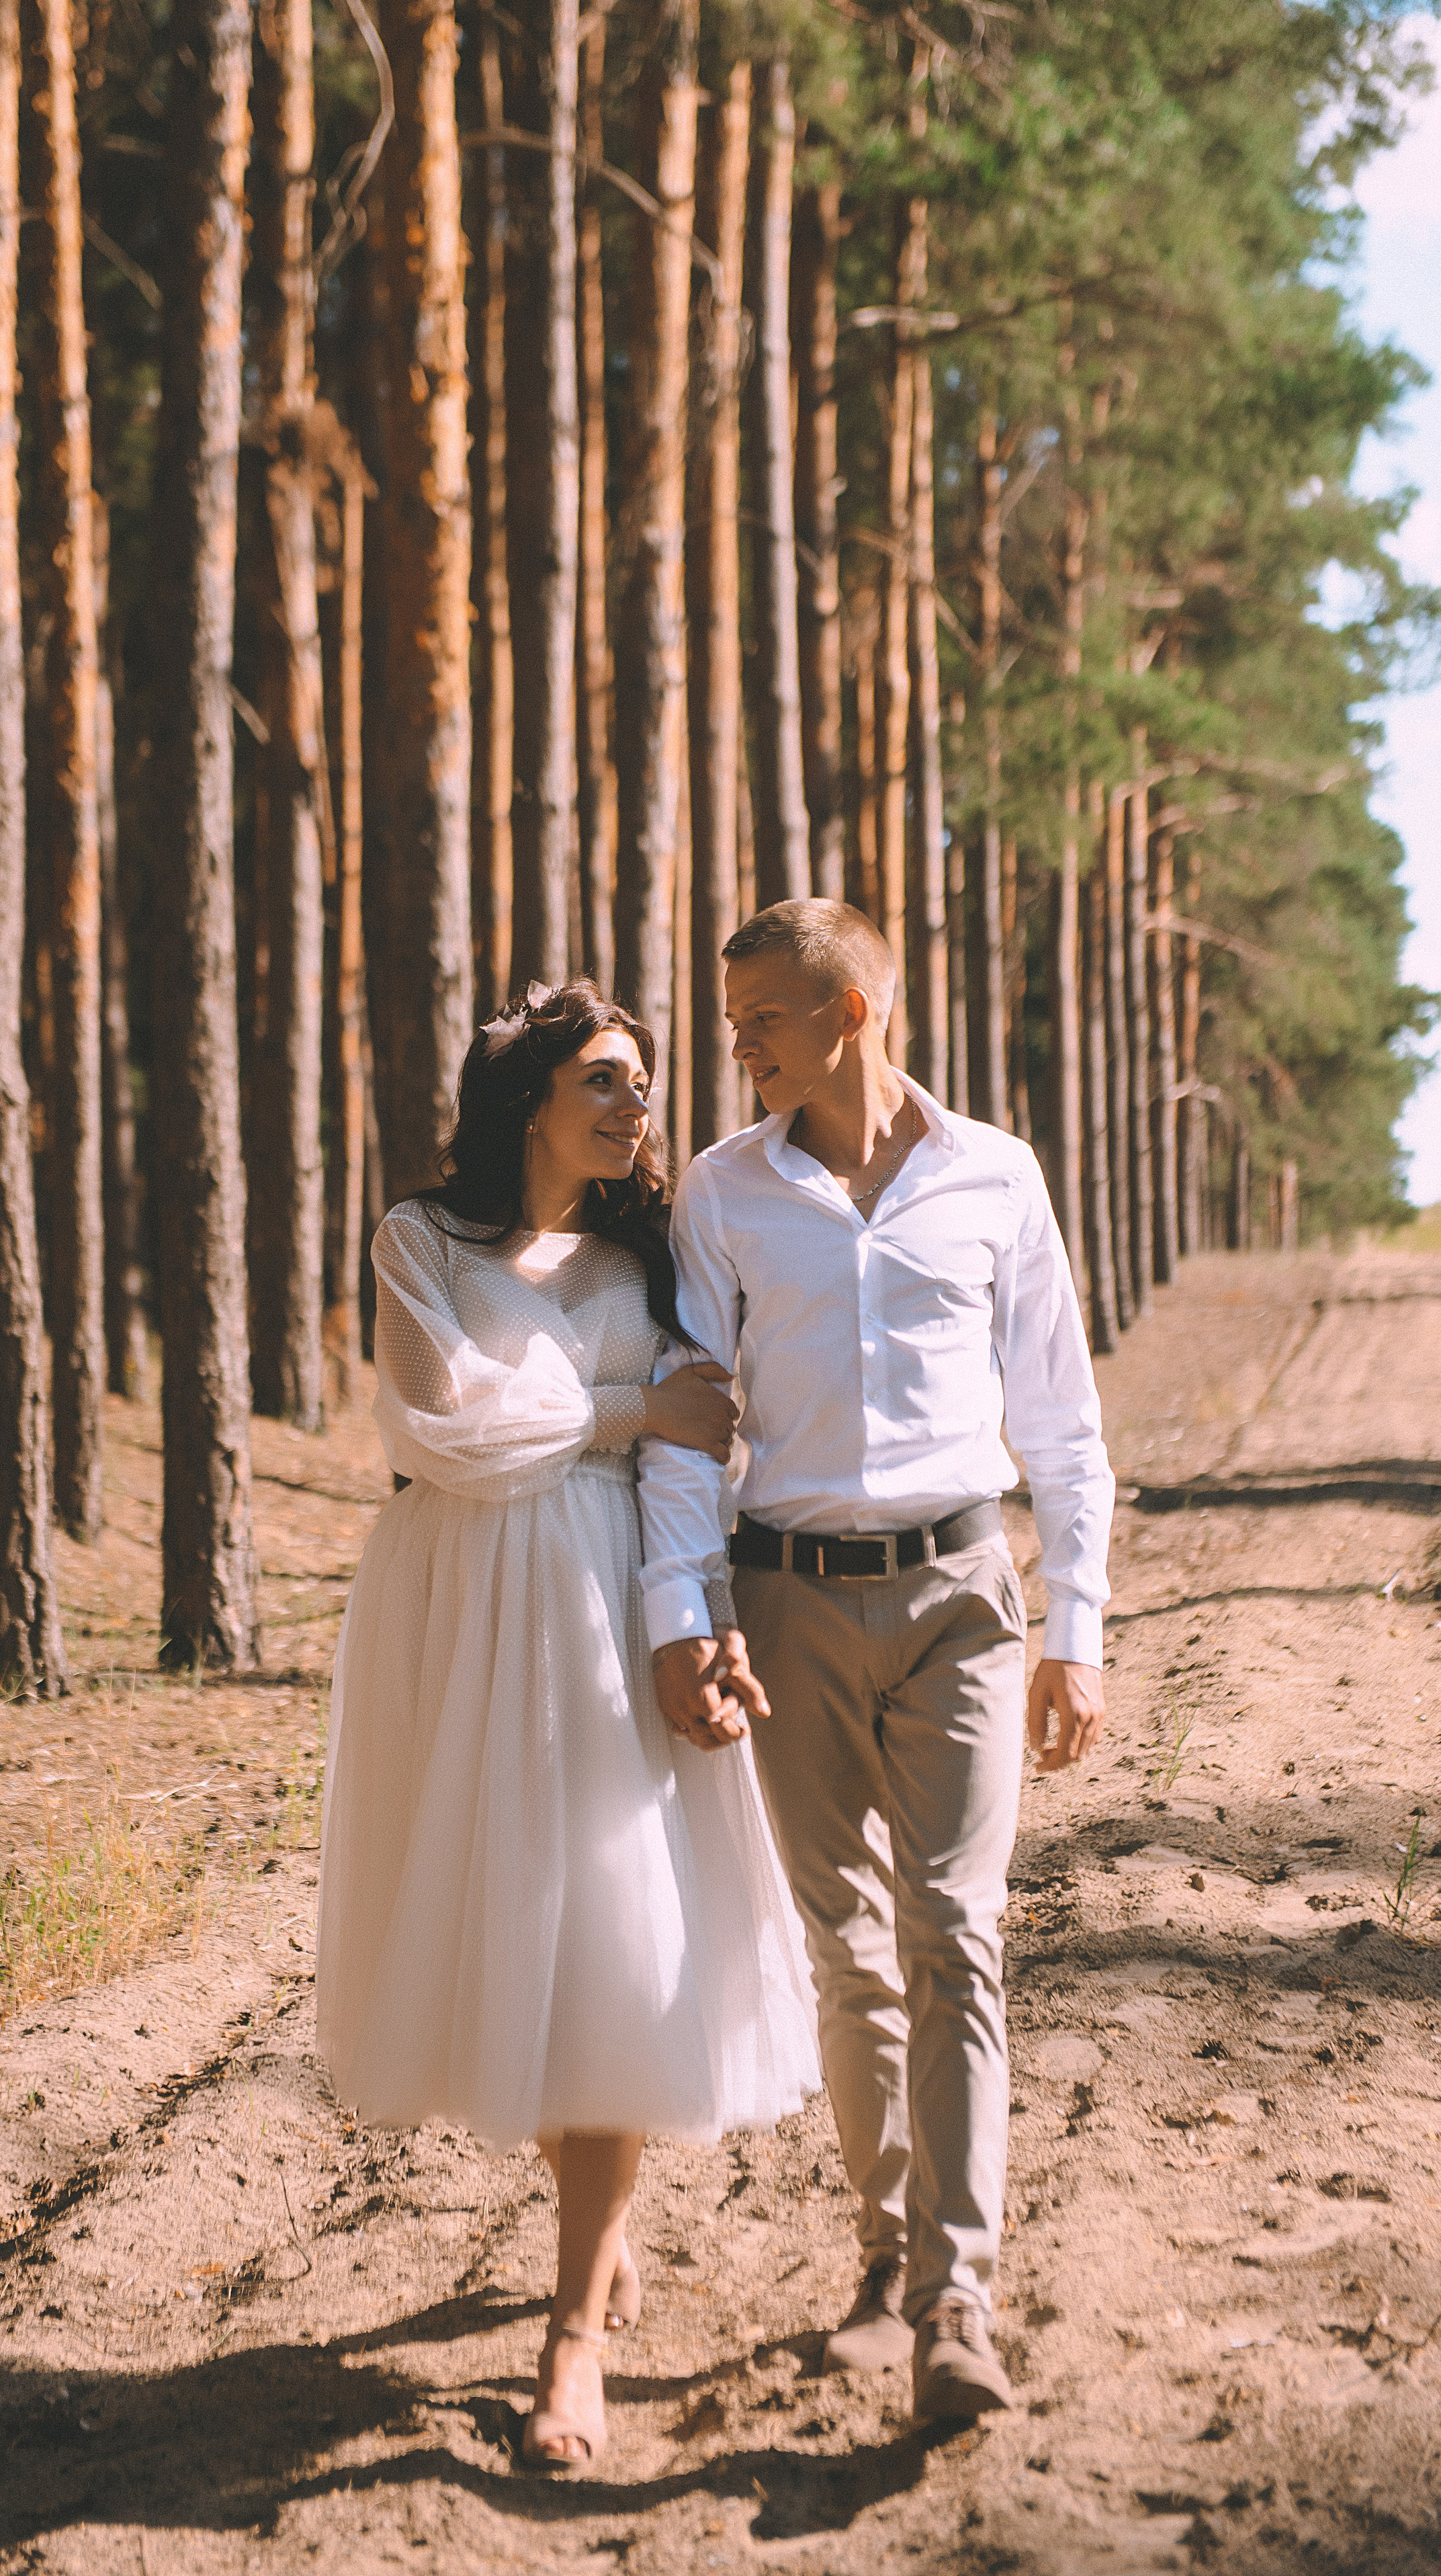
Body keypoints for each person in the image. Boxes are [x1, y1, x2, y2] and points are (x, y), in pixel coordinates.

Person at [316, 980, 818, 2474]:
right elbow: (444, 1436)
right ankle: (596, 2226)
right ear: (526, 1096)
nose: (634, 1104)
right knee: (496, 1929)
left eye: (646, 1083)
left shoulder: (652, 1253)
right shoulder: (419, 1242)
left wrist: (692, 1589)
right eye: (603, 1078)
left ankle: (571, 2341)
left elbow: (709, 1425)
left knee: (614, 1937)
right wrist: (623, 1417)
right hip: (453, 1610)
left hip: (606, 1608)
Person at [640, 899, 1113, 2425]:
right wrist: (687, 1612)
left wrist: (1076, 1631)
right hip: (785, 1604)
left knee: (951, 1935)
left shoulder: (995, 1177)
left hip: (962, 1596)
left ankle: (953, 2301)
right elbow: (688, 1427)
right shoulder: (719, 1194)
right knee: (849, 1956)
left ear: (847, 1012)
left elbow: (1059, 1421)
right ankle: (886, 2249)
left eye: (758, 1017)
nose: (734, 1044)